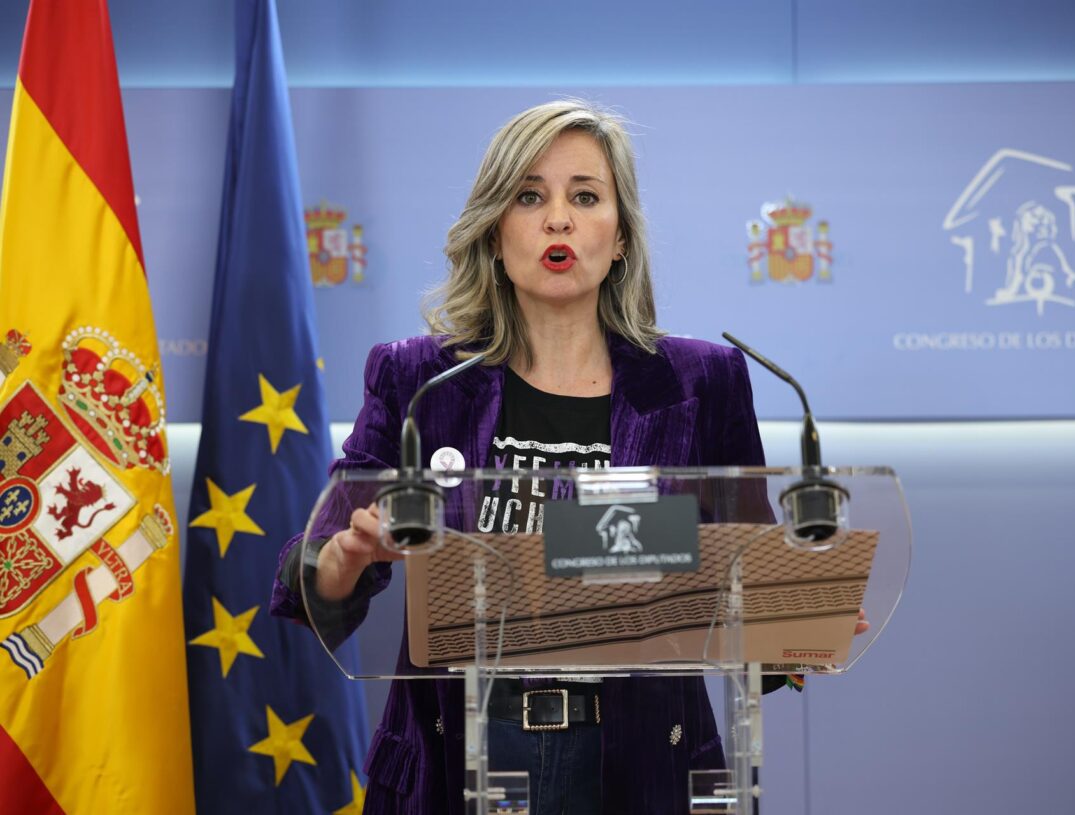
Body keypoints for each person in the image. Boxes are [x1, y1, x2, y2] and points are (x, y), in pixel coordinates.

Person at [272, 99, 805, 814]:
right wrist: (345, 555)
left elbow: (750, 572)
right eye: (530, 196)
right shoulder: (420, 381)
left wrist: (802, 613)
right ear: (496, 231)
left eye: (585, 196)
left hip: (645, 767)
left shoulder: (699, 383)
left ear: (619, 237)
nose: (559, 219)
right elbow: (310, 578)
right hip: (456, 761)